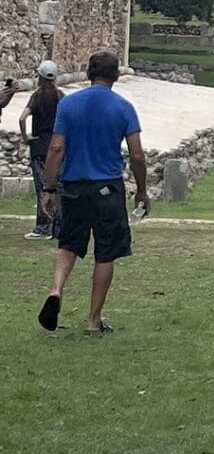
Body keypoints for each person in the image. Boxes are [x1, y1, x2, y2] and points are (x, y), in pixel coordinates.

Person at [37, 50, 150, 335]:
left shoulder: (69, 105)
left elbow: (56, 148)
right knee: (105, 252)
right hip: (108, 187)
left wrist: (50, 188)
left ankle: (56, 290)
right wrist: (142, 192)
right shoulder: (124, 107)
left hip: (74, 186)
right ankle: (93, 320)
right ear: (116, 75)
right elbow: (137, 155)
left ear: (88, 73)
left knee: (68, 243)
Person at [19, 61, 65, 240]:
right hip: (57, 145)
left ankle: (43, 227)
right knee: (58, 186)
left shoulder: (37, 96)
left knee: (42, 187)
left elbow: (22, 118)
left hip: (39, 146)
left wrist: (25, 137)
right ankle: (59, 227)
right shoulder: (60, 96)